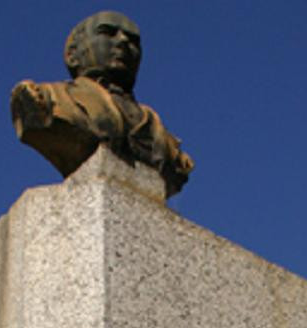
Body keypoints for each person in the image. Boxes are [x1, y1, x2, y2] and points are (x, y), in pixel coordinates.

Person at [11, 11, 193, 197]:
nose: (123, 41)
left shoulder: (163, 137)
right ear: (72, 55)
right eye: (108, 32)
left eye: (133, 41)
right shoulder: (49, 98)